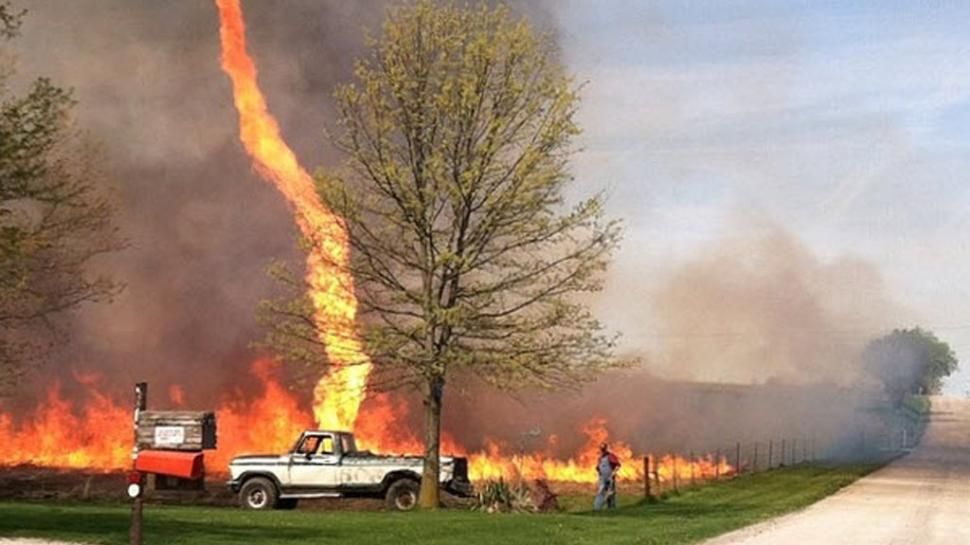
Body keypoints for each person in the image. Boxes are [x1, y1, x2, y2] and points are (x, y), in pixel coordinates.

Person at [593, 442, 621, 510]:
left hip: (609, 477)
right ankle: (598, 508)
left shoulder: (611, 456)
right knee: (601, 492)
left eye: (604, 449)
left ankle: (611, 507)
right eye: (602, 449)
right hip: (602, 478)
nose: (603, 450)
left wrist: (612, 475)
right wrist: (598, 470)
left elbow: (617, 466)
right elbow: (599, 467)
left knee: (610, 492)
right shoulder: (600, 458)